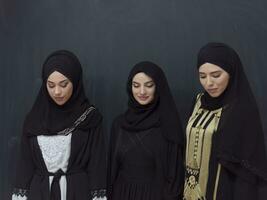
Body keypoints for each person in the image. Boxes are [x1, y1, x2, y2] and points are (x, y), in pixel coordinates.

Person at [12, 50, 107, 200]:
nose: (57, 92)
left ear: (75, 82)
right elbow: (25, 164)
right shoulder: (33, 119)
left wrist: (98, 196)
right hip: (40, 193)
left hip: (77, 192)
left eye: (64, 85)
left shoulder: (89, 117)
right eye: (51, 85)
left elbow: (97, 165)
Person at [183, 42, 267, 200]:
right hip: (192, 190)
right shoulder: (198, 102)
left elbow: (247, 170)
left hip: (225, 191)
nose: (208, 83)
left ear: (231, 73)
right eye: (202, 76)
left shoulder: (242, 110)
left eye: (216, 75)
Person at [107, 61, 184, 200]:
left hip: (156, 195)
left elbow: (175, 176)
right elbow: (112, 171)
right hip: (122, 193)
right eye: (136, 85)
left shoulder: (168, 126)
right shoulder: (118, 125)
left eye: (149, 85)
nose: (142, 92)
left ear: (158, 87)